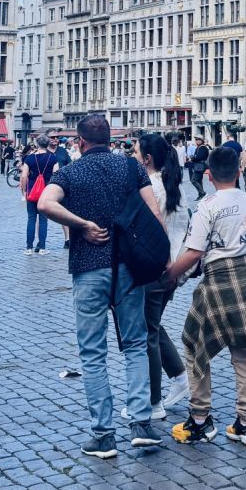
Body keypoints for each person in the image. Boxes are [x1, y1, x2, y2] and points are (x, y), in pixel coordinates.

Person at [35, 113, 165, 459]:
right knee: (136, 343)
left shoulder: (71, 172)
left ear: (80, 142)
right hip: (128, 266)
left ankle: (104, 435)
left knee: (92, 353)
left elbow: (45, 203)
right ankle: (141, 424)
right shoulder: (130, 167)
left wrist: (82, 225)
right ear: (110, 139)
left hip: (88, 267)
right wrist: (161, 255)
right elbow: (154, 213)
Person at [165, 145, 246, 448]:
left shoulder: (208, 206)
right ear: (239, 171)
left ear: (208, 175)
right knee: (243, 351)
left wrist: (170, 275)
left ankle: (200, 420)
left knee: (195, 345)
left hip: (218, 279)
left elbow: (195, 251)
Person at [140, 132, 189, 418]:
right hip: (173, 269)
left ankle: (153, 402)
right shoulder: (176, 188)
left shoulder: (151, 187)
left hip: (153, 269)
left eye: (137, 154)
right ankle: (180, 377)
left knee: (148, 332)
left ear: (147, 159)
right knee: (154, 326)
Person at [22, 136, 58, 255]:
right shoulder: (53, 158)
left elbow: (24, 176)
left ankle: (28, 248)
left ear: (37, 144)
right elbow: (56, 175)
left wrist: (23, 191)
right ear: (47, 145)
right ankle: (42, 247)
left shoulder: (30, 158)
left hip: (32, 191)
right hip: (46, 192)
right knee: (43, 220)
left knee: (31, 219)